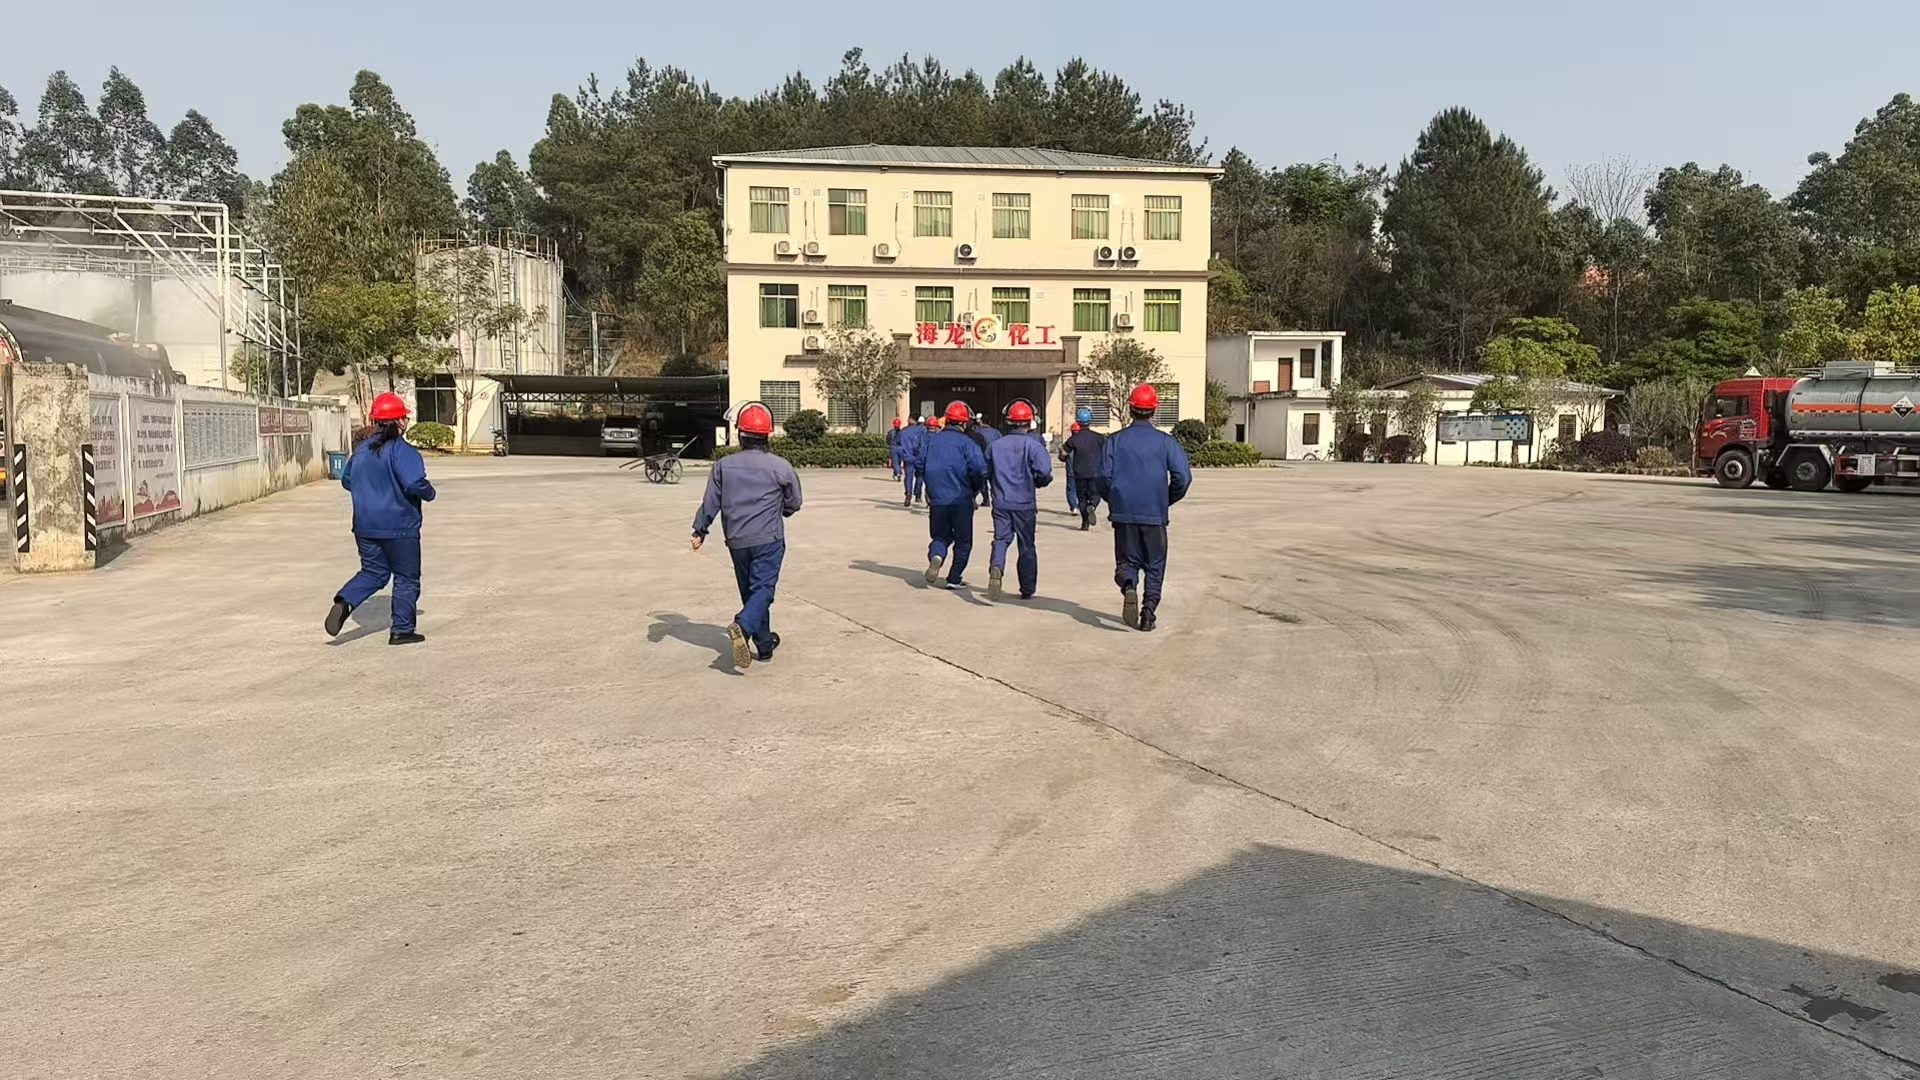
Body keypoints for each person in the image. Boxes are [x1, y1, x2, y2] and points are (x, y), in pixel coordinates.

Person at [691, 401, 803, 670]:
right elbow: (794, 502)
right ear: (768, 435)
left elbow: (711, 501)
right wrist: (783, 511)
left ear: (741, 435)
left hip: (737, 540)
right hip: (768, 539)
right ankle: (742, 626)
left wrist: (700, 529)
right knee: (763, 589)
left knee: (751, 594)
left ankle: (764, 645)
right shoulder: (780, 466)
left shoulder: (723, 466)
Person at [325, 391, 436, 646]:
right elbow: (414, 483)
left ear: (375, 421)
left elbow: (347, 480)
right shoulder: (402, 450)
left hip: (365, 526)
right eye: (405, 418)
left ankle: (345, 602)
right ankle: (402, 630)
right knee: (406, 577)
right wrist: (429, 492)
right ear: (399, 421)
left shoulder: (361, 451)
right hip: (400, 526)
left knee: (373, 572)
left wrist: (371, 491)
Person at [1099, 384, 1192, 632]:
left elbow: (1103, 476)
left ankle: (1129, 585)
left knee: (1126, 560)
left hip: (1124, 512)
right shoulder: (1166, 442)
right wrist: (1165, 499)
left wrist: (1114, 499)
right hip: (1154, 513)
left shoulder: (1115, 441)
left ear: (1130, 408)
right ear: (1154, 410)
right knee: (1155, 564)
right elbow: (1183, 477)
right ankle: (1148, 612)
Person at [911, 400, 987, 589]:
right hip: (961, 499)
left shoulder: (932, 441)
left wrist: (929, 485)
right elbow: (979, 469)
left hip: (937, 499)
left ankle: (937, 555)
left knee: (939, 536)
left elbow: (918, 464)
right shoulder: (968, 444)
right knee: (963, 541)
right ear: (963, 422)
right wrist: (976, 490)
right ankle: (954, 578)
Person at [984, 399, 1054, 600]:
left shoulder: (995, 446)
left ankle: (997, 567)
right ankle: (1027, 587)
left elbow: (983, 470)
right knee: (1026, 545)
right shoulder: (1033, 446)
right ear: (1029, 421)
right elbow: (1044, 471)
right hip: (1025, 504)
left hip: (1001, 502)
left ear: (1008, 421)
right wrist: (1040, 481)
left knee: (1001, 539)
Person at [1062, 407, 1107, 530]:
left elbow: (1063, 454)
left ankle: (1085, 523)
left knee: (1081, 498)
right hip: (1095, 472)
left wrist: (1063, 458)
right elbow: (1107, 452)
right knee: (1096, 495)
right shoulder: (1099, 438)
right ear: (1090, 421)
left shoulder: (1074, 439)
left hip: (1079, 473)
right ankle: (1092, 505)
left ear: (1078, 421)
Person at [967, 408, 1001, 507]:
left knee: (981, 480)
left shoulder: (977, 432)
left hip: (982, 458)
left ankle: (979, 499)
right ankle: (994, 499)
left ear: (981, 421)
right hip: (995, 459)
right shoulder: (996, 432)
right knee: (994, 481)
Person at [897, 415, 927, 507]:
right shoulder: (922, 430)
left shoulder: (903, 431)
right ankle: (918, 494)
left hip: (907, 457)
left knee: (908, 476)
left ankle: (908, 493)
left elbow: (897, 444)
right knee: (920, 476)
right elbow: (923, 443)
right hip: (918, 457)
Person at [1063, 422, 1082, 514]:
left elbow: (1062, 456)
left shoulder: (1068, 443)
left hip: (1071, 471)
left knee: (1071, 489)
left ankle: (1074, 507)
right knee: (1082, 490)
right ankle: (1082, 506)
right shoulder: (1084, 443)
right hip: (1082, 471)